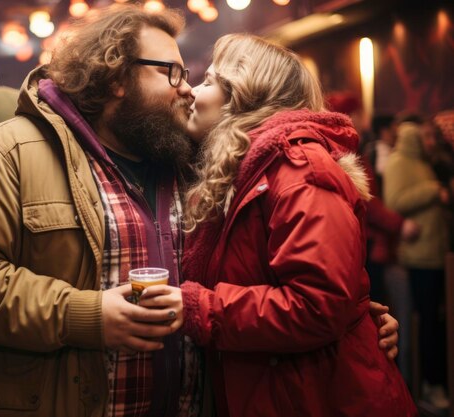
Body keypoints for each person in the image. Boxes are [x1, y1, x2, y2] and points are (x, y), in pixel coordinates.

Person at [0, 5, 401, 417]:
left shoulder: (194, 165)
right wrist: (84, 315)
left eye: (193, 76)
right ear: (116, 78)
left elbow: (292, 283)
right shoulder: (5, 153)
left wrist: (352, 320)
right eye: (172, 72)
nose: (187, 89)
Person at [140, 34, 416, 417]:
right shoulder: (241, 170)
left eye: (207, 82)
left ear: (240, 97)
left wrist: (200, 307)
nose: (191, 91)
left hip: (322, 397)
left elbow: (316, 305)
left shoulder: (299, 169)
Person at [383, 120, 450, 410]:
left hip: (434, 254)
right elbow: (395, 201)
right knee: (426, 324)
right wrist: (433, 190)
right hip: (417, 256)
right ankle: (427, 386)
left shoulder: (422, 163)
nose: (431, 141)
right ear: (414, 137)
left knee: (437, 321)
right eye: (426, 136)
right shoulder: (399, 162)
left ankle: (434, 383)